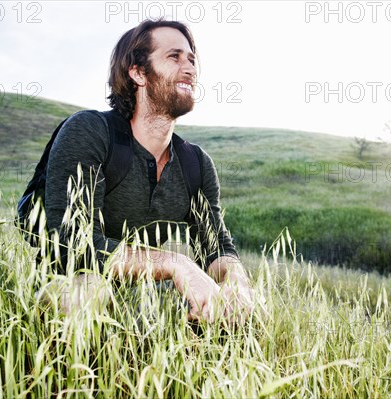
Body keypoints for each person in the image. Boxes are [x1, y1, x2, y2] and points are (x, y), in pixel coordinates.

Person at [43, 19, 253, 324]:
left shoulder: (196, 163)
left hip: (145, 295)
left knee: (246, 303)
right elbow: (71, 242)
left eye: (192, 60)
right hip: (73, 282)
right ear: (138, 73)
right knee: (87, 295)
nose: (190, 68)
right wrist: (175, 263)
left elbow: (216, 246)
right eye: (175, 57)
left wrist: (238, 282)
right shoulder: (90, 131)